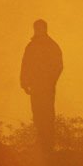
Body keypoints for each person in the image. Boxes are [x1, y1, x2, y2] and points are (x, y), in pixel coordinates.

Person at [20, 19, 63, 151]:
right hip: (35, 86)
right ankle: (40, 140)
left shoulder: (52, 46)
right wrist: (23, 81)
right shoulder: (31, 46)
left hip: (47, 87)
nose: (38, 31)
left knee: (47, 113)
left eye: (40, 28)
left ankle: (48, 143)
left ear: (45, 29)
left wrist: (50, 81)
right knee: (37, 112)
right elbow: (25, 64)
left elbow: (58, 66)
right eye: (36, 28)